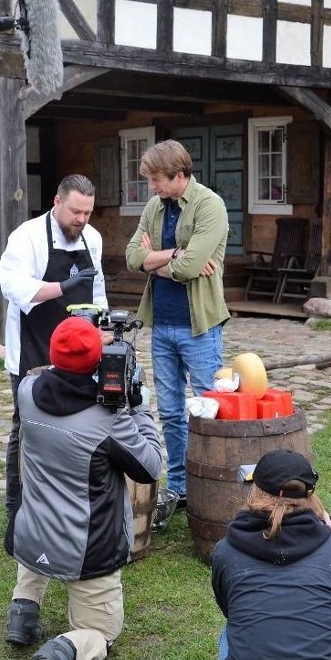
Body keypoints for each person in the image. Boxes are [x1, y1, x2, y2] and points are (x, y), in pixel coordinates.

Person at [4, 317, 163, 660]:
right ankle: (66, 651)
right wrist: (136, 406)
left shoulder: (27, 391)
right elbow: (150, 467)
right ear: (97, 362)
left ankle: (22, 612)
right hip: (85, 548)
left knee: (38, 547)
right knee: (102, 631)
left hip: (34, 532)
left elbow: (54, 376)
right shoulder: (108, 418)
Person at [210, 450, 331, 660]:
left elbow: (230, 609)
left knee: (230, 634)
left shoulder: (225, 552)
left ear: (255, 489)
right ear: (309, 496)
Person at [124, 139, 230, 507]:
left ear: (179, 175)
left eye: (155, 179)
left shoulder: (210, 206)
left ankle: (214, 483)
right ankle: (183, 488)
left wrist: (160, 261)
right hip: (162, 324)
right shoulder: (155, 206)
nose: (151, 187)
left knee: (208, 409)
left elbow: (184, 267)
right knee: (169, 412)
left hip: (199, 327)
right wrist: (173, 255)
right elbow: (132, 257)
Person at [0, 173, 110, 519]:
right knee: (26, 426)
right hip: (34, 344)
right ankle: (16, 504)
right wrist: (63, 286)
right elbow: (14, 288)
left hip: (79, 349)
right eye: (75, 211)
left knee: (79, 419)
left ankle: (65, 500)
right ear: (57, 202)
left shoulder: (92, 238)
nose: (81, 219)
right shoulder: (27, 238)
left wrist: (103, 329)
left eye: (87, 213)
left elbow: (98, 290)